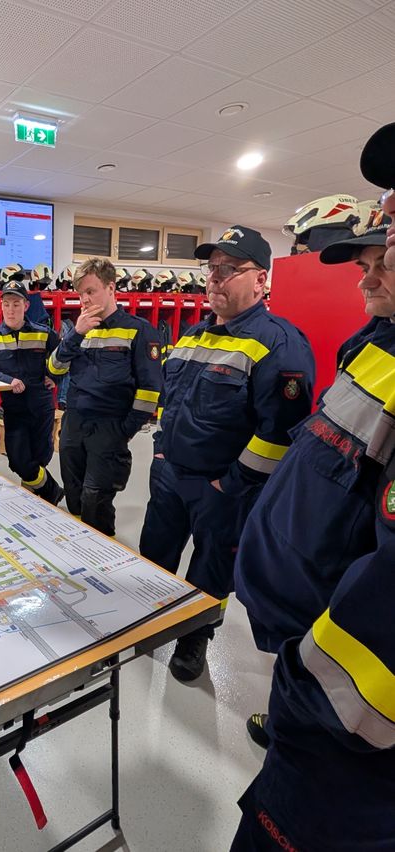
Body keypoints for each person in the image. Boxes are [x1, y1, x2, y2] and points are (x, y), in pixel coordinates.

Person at [231, 129, 395, 848]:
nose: (368, 276)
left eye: (384, 251)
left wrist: (307, 691)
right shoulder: (377, 344)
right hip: (303, 657)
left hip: (342, 739)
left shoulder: (286, 340)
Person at [139, 226, 315, 682]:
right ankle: (148, 618)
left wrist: (232, 484)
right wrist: (160, 452)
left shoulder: (279, 343)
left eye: (230, 269)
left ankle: (195, 639)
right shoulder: (194, 334)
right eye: (212, 267)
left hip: (223, 488)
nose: (215, 277)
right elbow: (171, 400)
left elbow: (280, 435)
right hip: (170, 475)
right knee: (154, 553)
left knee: (211, 569)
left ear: (260, 280)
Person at [47, 257, 162, 536]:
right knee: (74, 493)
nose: (84, 299)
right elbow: (53, 369)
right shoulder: (78, 330)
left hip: (109, 426)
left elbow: (150, 390)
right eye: (80, 294)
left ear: (111, 288)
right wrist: (75, 334)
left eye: (91, 291)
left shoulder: (138, 330)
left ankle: (100, 551)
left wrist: (124, 431)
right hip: (74, 423)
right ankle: (80, 543)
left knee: (95, 500)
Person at [0, 279, 63, 503]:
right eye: (7, 304)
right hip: (14, 408)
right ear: (1, 306)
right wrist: (5, 380)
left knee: (40, 457)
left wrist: (56, 377)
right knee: (18, 459)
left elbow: (64, 358)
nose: (11, 309)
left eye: (16, 304)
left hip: (41, 406)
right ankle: (52, 491)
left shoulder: (44, 334)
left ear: (26, 306)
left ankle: (35, 502)